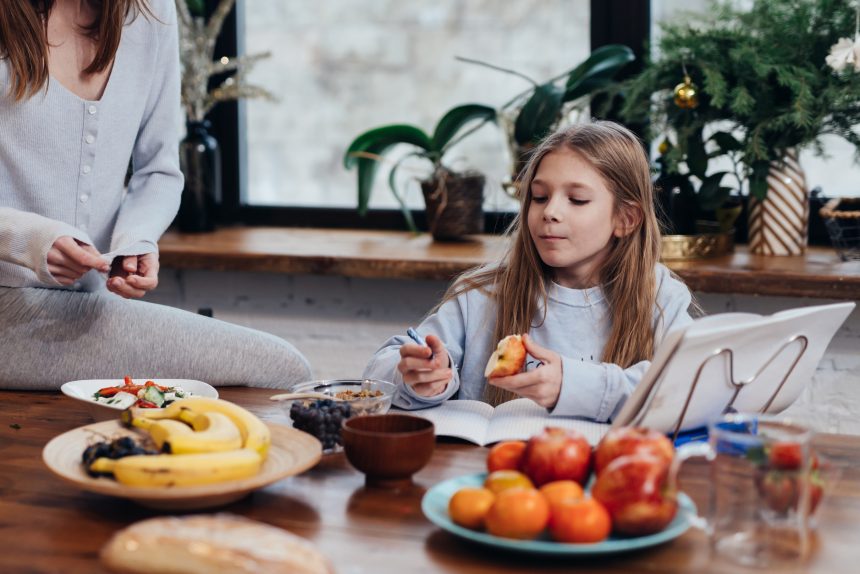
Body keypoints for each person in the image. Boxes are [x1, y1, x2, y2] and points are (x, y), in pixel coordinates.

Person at [0, 0, 311, 390]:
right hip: (9, 304)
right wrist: (32, 241)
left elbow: (159, 171)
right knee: (281, 368)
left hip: (91, 303)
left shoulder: (150, 13)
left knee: (285, 372)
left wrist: (135, 241)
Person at [363, 121, 694, 422]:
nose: (550, 211)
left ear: (626, 218)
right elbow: (380, 371)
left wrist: (573, 384)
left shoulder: (660, 295)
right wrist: (419, 376)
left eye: (577, 200)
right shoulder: (481, 294)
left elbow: (689, 387)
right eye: (539, 196)